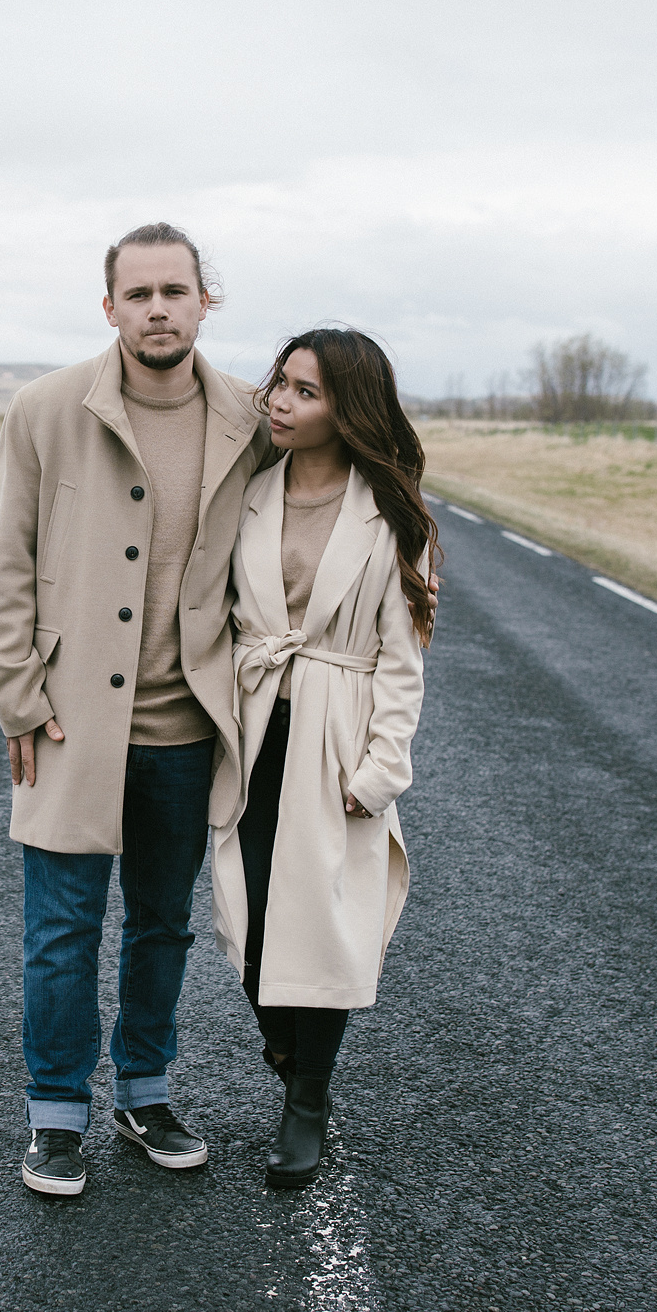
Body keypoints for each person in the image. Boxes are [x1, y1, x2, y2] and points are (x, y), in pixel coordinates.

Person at [0, 222, 275, 1196]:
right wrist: (18, 696)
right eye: (136, 294)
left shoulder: (250, 419)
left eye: (173, 292)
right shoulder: (45, 411)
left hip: (187, 729)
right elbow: (9, 563)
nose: (156, 309)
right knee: (60, 932)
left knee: (161, 927)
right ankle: (55, 1116)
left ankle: (145, 1093)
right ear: (109, 307)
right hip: (66, 721)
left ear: (204, 302)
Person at [209, 327, 438, 1190]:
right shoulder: (249, 494)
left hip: (338, 739)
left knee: (327, 925)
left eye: (306, 392)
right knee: (252, 918)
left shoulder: (392, 513)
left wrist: (382, 770)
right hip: (252, 725)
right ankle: (284, 1047)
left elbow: (401, 662)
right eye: (280, 384)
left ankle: (307, 1101)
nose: (281, 402)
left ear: (349, 409)